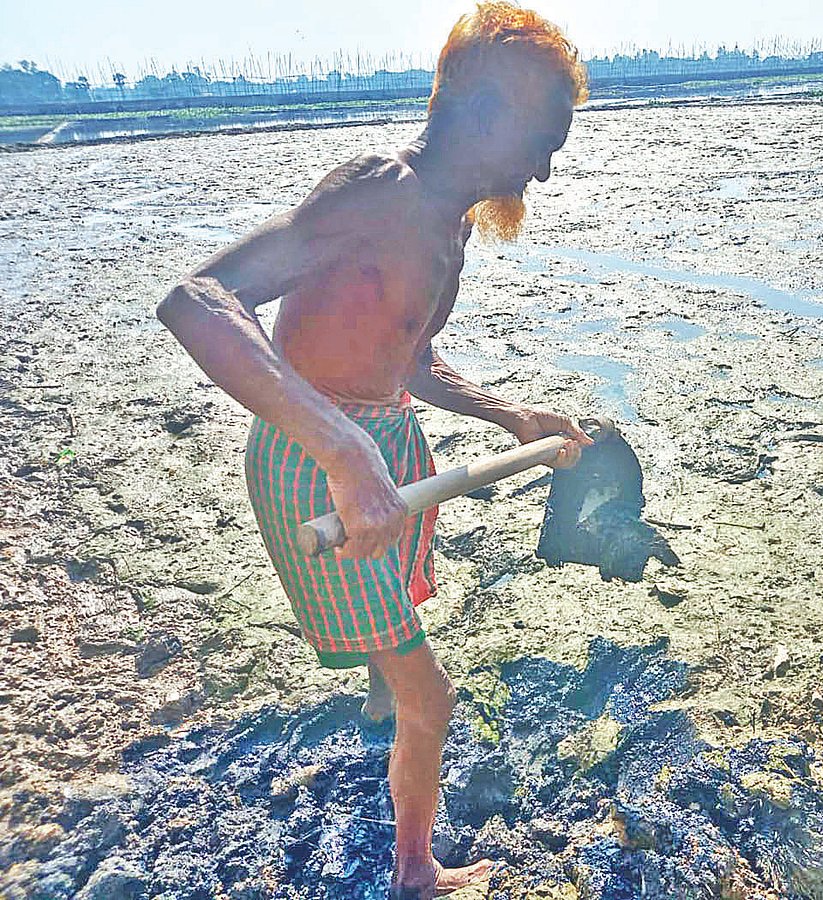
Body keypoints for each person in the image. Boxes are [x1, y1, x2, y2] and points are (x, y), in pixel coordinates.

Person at [156, 4, 591, 896]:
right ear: (484, 111)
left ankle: (379, 694)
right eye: (540, 142)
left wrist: (511, 415)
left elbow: (411, 356)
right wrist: (344, 449)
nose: (544, 171)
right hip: (314, 460)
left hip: (387, 440)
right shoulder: (380, 190)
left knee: (403, 617)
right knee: (434, 699)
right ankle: (414, 871)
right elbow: (198, 298)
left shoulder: (453, 223)